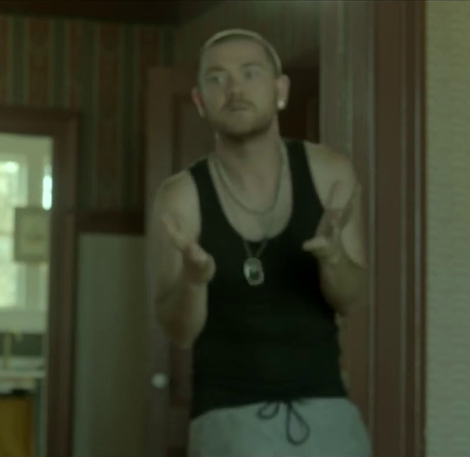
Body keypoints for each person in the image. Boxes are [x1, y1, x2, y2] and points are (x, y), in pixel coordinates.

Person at [150, 29, 373, 456]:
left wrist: (333, 257)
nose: (234, 89)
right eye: (217, 79)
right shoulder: (180, 196)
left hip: (327, 413)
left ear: (280, 90)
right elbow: (178, 331)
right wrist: (195, 279)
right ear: (200, 101)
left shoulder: (330, 171)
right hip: (227, 421)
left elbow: (352, 300)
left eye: (250, 73)